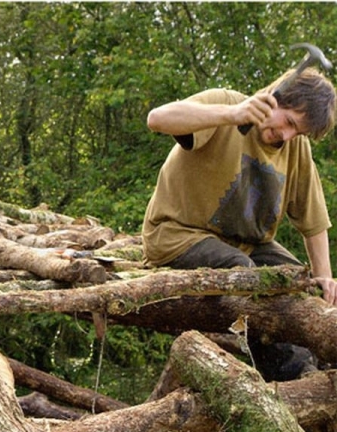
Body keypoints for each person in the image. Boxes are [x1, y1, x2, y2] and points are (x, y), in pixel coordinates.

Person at [143, 67, 337, 380]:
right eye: (288, 121)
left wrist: (325, 279)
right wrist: (232, 113)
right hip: (178, 237)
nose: (286, 135)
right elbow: (157, 118)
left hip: (247, 244)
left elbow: (313, 222)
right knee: (248, 277)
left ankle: (326, 368)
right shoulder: (227, 104)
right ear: (275, 97)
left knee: (297, 282)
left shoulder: (295, 148)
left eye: (297, 132)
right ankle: (297, 379)